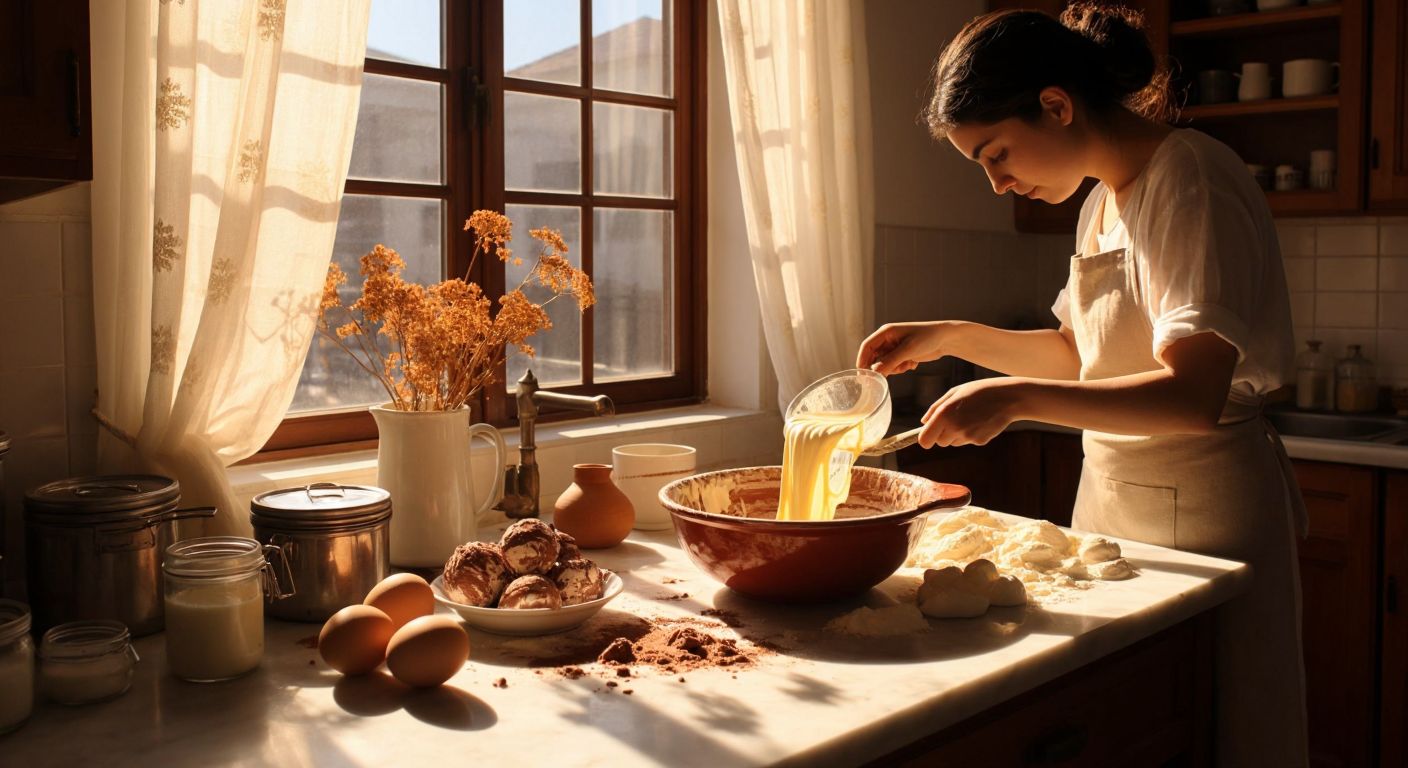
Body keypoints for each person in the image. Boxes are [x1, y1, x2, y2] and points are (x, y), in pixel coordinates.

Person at [856, 4, 1308, 765]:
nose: (999, 183)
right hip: (1116, 491)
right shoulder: (1101, 201)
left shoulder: (1189, 177)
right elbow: (1079, 351)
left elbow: (1192, 395)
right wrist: (951, 338)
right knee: (1131, 719)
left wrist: (1013, 400)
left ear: (1057, 105)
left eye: (997, 153)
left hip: (1209, 504)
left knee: (1216, 721)